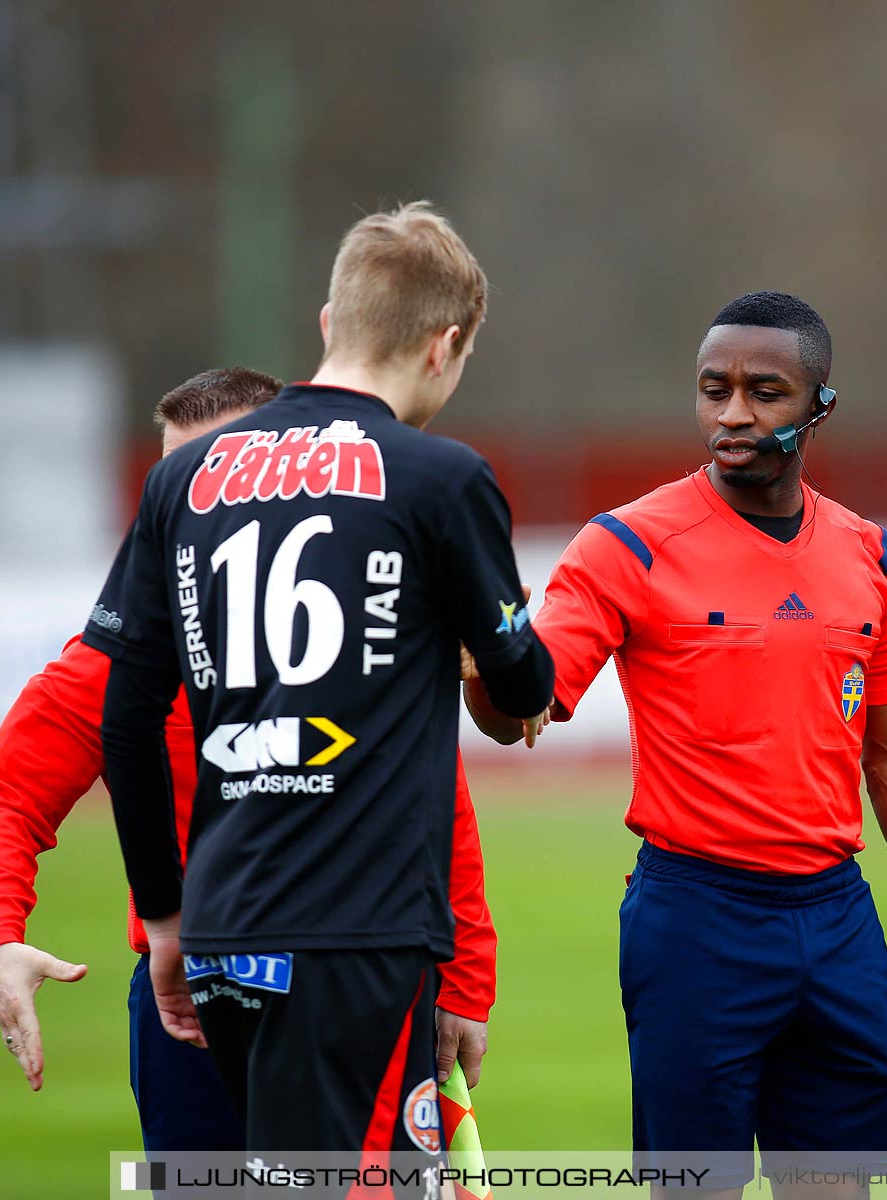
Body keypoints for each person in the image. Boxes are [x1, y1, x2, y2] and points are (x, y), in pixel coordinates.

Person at [468, 291, 887, 1197]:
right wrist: (482, 660)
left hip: (838, 918)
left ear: (818, 406)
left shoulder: (869, 556)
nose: (733, 413)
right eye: (713, 388)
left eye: (765, 392)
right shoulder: (626, 546)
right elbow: (518, 713)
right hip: (696, 920)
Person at [86, 202, 553, 1169]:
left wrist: (165, 916)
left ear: (329, 323)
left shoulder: (183, 479)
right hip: (358, 937)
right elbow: (522, 677)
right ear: (447, 343)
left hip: (221, 928)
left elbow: (125, 719)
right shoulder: (441, 477)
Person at [0, 367, 500, 1154]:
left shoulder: (358, 637)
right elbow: (12, 798)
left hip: (366, 977)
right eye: (179, 482)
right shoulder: (109, 667)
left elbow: (438, 808)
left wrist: (466, 983)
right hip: (190, 1004)